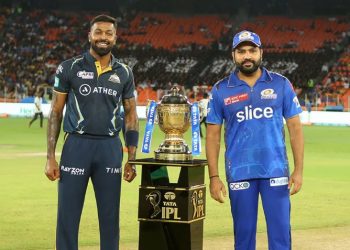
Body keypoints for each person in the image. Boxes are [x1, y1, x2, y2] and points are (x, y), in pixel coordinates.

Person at [44, 14, 139, 250]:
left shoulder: (125, 72)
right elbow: (56, 112)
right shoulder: (69, 68)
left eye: (108, 33)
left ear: (115, 37)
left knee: (109, 216)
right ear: (90, 35)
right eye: (98, 32)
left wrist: (132, 158)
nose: (103, 37)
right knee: (67, 215)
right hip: (76, 146)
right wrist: (50, 157)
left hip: (109, 148)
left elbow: (131, 116)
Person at [206, 30, 304, 250]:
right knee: (243, 238)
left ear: (261, 52)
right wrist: (213, 176)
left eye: (252, 50)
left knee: (280, 237)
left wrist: (298, 170)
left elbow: (295, 128)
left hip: (276, 171)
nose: (247, 55)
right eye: (241, 51)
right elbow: (212, 136)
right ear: (233, 55)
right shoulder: (221, 89)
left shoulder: (280, 84)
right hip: (240, 172)